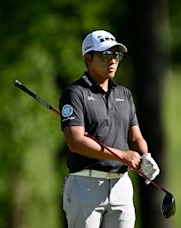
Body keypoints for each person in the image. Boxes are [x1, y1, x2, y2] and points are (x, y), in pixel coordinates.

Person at [59, 29, 160, 228]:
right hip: (85, 185)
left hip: (120, 186)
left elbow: (135, 136)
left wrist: (145, 155)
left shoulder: (124, 94)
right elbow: (76, 142)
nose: (112, 60)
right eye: (106, 55)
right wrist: (121, 156)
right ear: (88, 58)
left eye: (116, 55)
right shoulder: (74, 93)